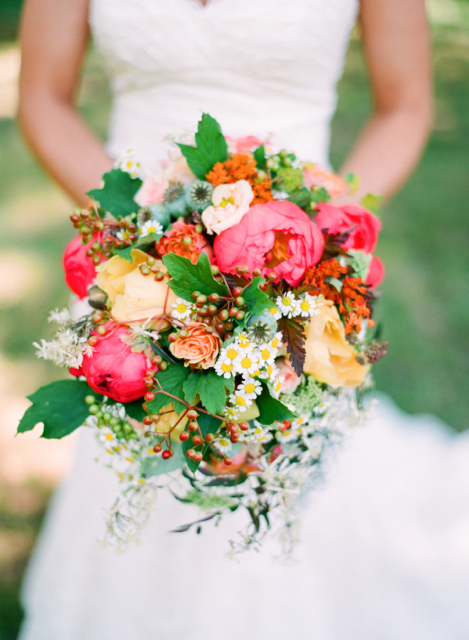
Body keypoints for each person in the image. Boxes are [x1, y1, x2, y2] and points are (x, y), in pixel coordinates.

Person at [17, 1, 469, 639]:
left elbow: (406, 105)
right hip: (140, 266)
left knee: (282, 467)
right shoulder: (140, 251)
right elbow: (42, 97)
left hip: (290, 264)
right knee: (140, 468)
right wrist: (145, 235)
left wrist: (321, 230)